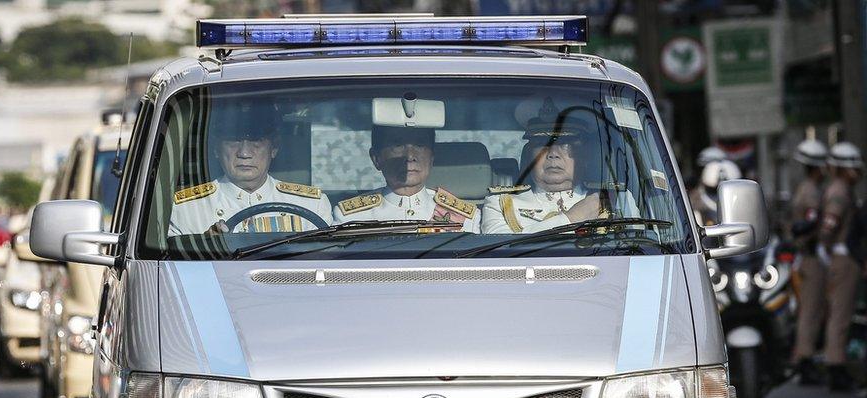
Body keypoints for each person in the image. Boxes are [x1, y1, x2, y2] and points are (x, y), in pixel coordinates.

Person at [169, 101, 332, 235]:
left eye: (256, 141)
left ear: (273, 148)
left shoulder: (312, 205)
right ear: (216, 149)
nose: (244, 153)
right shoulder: (184, 210)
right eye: (233, 141)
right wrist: (204, 249)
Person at [480, 107, 624, 234]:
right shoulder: (501, 203)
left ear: (585, 156)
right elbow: (501, 251)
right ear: (530, 156)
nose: (553, 153)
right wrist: (572, 218)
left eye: (566, 144)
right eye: (542, 144)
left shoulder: (617, 199)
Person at [333, 124, 480, 230]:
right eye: (397, 145)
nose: (410, 156)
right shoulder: (350, 219)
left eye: (419, 145)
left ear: (431, 158)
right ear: (376, 158)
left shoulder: (465, 217)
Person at [817, 142, 863, 391]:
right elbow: (829, 226)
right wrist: (826, 249)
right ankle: (835, 365)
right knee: (840, 314)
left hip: (841, 256)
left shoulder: (842, 188)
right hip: (843, 257)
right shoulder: (840, 191)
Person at [788, 139, 829, 385]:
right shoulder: (812, 191)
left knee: (810, 310)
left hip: (807, 256)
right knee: (811, 312)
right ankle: (804, 359)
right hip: (812, 256)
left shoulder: (804, 188)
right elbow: (809, 223)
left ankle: (806, 356)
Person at [689, 159, 741, 227]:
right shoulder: (693, 212)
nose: (721, 197)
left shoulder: (746, 208)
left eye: (732, 191)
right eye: (714, 191)